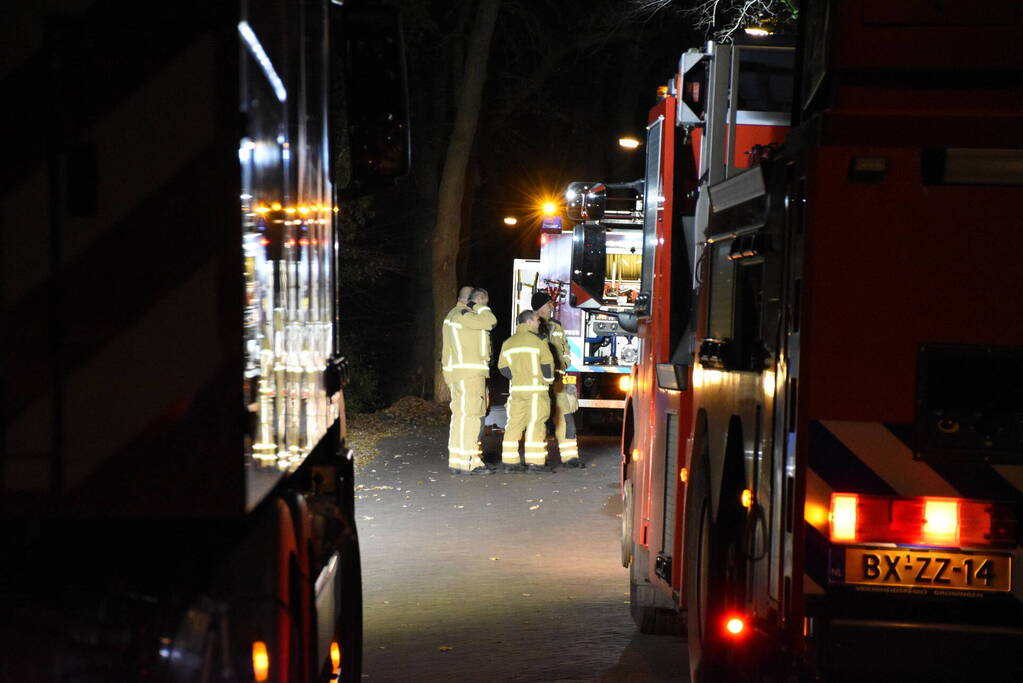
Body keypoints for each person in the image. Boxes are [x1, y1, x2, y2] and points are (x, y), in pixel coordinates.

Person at [442, 286, 497, 474]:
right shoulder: (466, 315)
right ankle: (471, 462)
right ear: (475, 300)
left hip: (459, 375)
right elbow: (491, 321)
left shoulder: (451, 316)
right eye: (484, 301)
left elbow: (446, 350)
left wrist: (449, 377)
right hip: (471, 375)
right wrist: (479, 306)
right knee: (472, 418)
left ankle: (458, 461)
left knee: (460, 417)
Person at [497, 309, 555, 473]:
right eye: (537, 320)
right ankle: (535, 463)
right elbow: (547, 364)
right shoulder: (539, 340)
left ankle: (510, 462)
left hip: (517, 391)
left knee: (514, 424)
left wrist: (517, 377)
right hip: (536, 391)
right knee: (535, 424)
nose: (539, 322)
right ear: (529, 322)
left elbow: (502, 367)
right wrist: (548, 380)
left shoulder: (508, 342)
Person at [531, 291, 583, 468]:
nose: (552, 307)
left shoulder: (556, 326)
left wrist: (565, 361)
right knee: (540, 419)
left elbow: (565, 347)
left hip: (558, 380)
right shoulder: (530, 324)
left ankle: (570, 458)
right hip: (539, 381)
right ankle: (538, 459)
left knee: (566, 418)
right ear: (540, 307)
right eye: (549, 304)